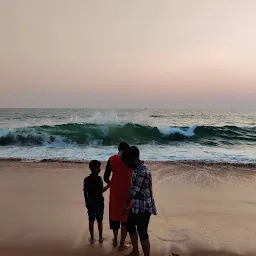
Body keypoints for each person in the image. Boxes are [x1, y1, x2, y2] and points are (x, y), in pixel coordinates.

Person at [121, 146, 157, 256]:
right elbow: (132, 188)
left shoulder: (143, 171)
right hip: (136, 205)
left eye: (126, 162)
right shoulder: (136, 169)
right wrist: (127, 204)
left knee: (142, 232)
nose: (125, 164)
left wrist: (126, 202)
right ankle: (136, 251)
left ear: (133, 159)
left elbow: (134, 192)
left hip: (144, 207)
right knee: (130, 225)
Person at [104, 142, 133, 250]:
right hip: (127, 191)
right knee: (125, 217)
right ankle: (122, 243)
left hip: (115, 191)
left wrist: (112, 183)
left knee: (114, 215)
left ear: (119, 149)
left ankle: (115, 239)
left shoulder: (112, 159)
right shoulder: (130, 160)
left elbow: (106, 177)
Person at [83, 160, 109, 244]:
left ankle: (92, 238)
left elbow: (85, 192)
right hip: (99, 202)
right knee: (99, 220)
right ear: (97, 168)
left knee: (91, 220)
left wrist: (86, 202)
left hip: (90, 201)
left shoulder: (86, 179)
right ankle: (100, 238)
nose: (100, 169)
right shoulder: (99, 179)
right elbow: (100, 191)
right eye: (99, 167)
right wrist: (109, 186)